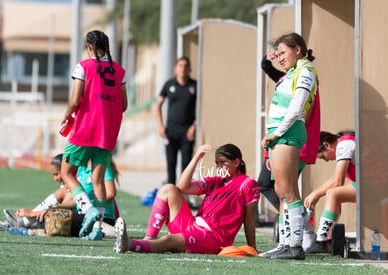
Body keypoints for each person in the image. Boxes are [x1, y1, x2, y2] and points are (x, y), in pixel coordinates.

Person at [113, 144, 260, 254]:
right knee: (168, 189)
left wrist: (252, 247)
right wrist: (196, 158)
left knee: (168, 240)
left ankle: (129, 244)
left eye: (222, 162)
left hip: (212, 236)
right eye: (217, 163)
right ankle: (149, 238)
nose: (218, 167)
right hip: (194, 225)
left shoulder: (248, 184)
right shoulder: (215, 180)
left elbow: (249, 218)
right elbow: (182, 187)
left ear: (236, 162)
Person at [60, 30, 127, 240]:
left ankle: (88, 210)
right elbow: (124, 105)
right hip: (108, 133)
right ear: (107, 47)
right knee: (98, 180)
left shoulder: (83, 66)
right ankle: (96, 228)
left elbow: (75, 100)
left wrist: (65, 115)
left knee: (67, 173)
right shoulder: (120, 71)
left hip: (85, 130)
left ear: (89, 47)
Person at [260, 32, 318, 260]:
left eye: (284, 52)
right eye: (279, 54)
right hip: (280, 136)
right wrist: (270, 146)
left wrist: (275, 136)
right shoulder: (291, 72)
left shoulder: (306, 70)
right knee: (280, 191)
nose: (280, 58)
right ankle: (286, 243)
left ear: (298, 49)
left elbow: (296, 109)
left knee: (289, 191)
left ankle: (295, 247)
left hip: (287, 134)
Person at [0, 154, 120, 239]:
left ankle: (26, 227)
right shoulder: (80, 169)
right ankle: (23, 222)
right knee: (54, 213)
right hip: (83, 213)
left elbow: (111, 193)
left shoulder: (103, 166)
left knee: (57, 220)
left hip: (102, 218)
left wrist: (91, 208)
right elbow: (74, 200)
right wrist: (53, 208)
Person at [304, 130, 356, 252]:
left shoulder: (344, 145)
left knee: (333, 193)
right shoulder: (346, 142)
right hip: (374, 184)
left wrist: (316, 194)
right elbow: (335, 180)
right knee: (334, 193)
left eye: (322, 156)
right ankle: (326, 240)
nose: (326, 160)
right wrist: (315, 192)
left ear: (327, 145)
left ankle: (321, 242)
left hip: (378, 185)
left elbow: (338, 181)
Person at [156, 56, 197, 185]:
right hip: (171, 132)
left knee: (186, 165)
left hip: (187, 133)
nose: (183, 69)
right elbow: (158, 104)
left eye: (185, 66)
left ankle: (184, 196)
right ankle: (171, 195)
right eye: (180, 66)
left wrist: (194, 126)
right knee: (171, 163)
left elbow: (202, 108)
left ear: (189, 69)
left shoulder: (194, 86)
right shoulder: (169, 85)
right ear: (175, 69)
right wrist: (160, 125)